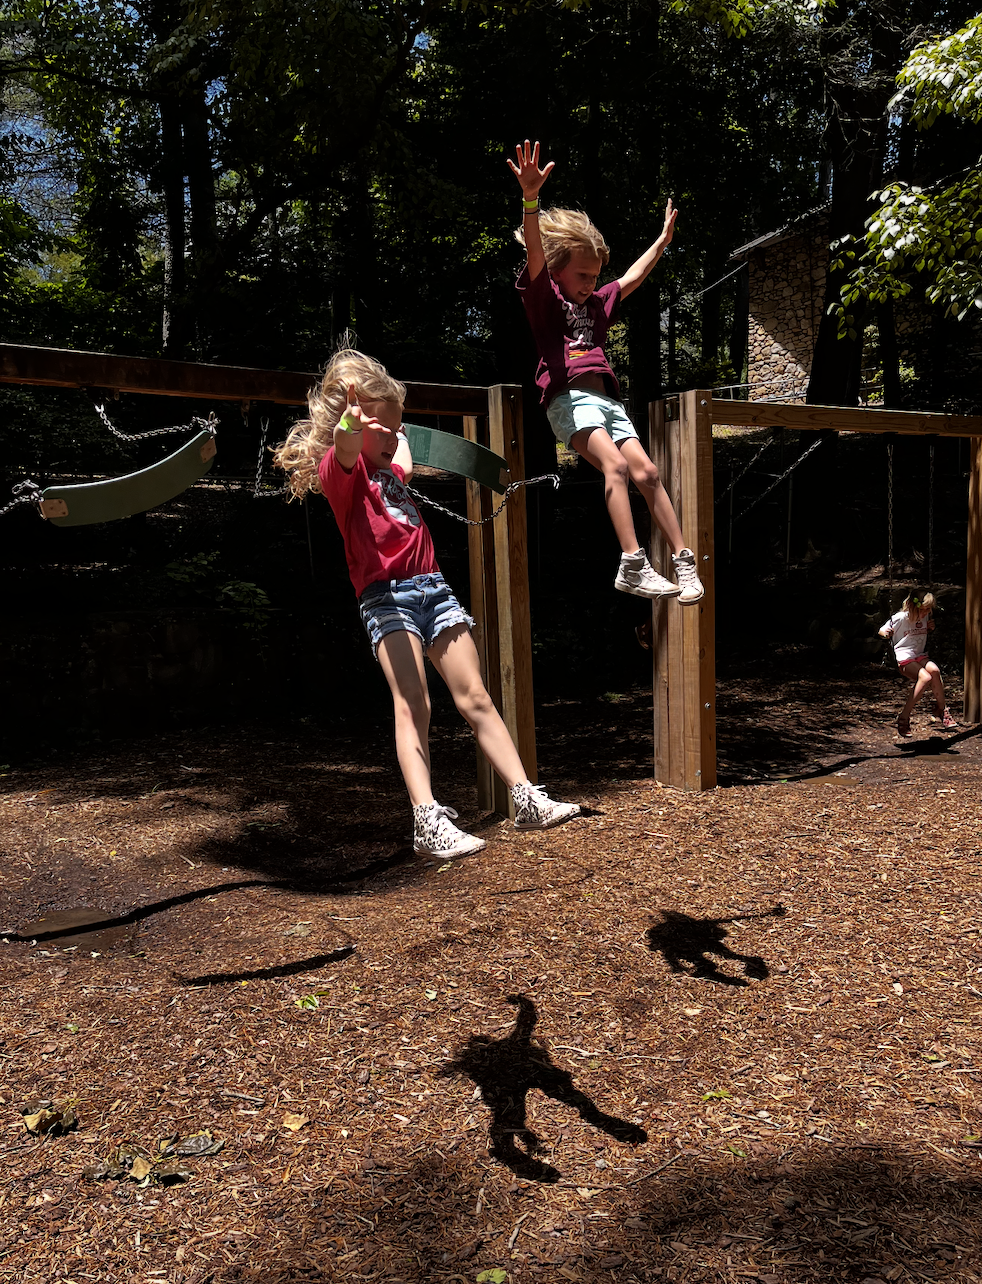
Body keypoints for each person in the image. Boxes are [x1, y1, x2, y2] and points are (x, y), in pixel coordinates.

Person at [275, 348, 580, 861]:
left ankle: (525, 796)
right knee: (414, 701)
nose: (393, 436)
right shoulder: (341, 477)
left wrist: (393, 429)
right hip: (386, 597)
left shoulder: (390, 471)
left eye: (397, 428)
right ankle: (427, 820)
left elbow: (403, 455)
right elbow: (348, 445)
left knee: (475, 696)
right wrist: (352, 419)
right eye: (385, 429)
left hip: (434, 589)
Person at [507, 139, 703, 607]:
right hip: (568, 400)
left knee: (648, 473)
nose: (591, 284)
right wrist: (530, 200)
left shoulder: (597, 305)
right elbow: (535, 249)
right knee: (614, 466)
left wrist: (662, 242)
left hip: (607, 403)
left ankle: (684, 560)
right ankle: (632, 563)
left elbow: (632, 278)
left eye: (595, 276)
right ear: (557, 273)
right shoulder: (544, 300)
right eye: (583, 276)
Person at [878, 590, 958, 736]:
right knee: (925, 677)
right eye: (923, 610)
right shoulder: (901, 618)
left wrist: (930, 628)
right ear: (913, 607)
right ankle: (904, 717)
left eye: (928, 610)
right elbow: (881, 630)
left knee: (934, 670)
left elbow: (922, 629)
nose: (926, 613)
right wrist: (886, 633)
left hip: (918, 655)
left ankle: (942, 710)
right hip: (903, 656)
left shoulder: (926, 616)